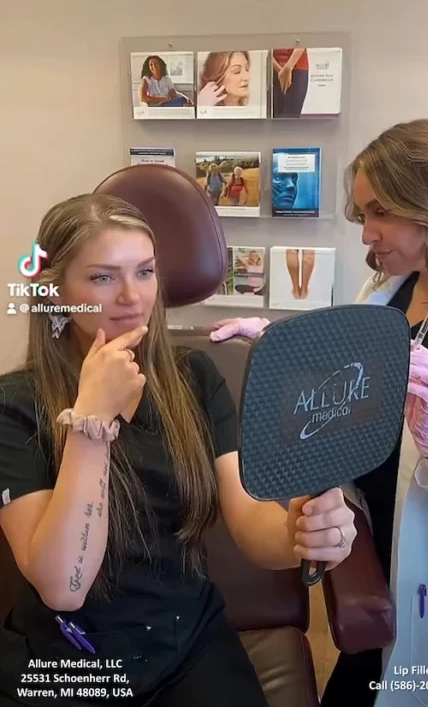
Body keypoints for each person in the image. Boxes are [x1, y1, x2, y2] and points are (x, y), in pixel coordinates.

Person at [0, 194, 356, 707]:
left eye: (144, 272)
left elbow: (252, 525)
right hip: (70, 661)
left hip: (185, 642)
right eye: (102, 277)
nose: (131, 296)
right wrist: (92, 422)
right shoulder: (15, 405)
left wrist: (302, 533)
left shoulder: (196, 377)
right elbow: (64, 586)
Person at [210, 118, 428, 706]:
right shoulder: (386, 291)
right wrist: (285, 348)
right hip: (371, 548)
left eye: (381, 213)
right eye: (363, 218)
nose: (367, 236)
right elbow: (354, 386)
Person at [272, 48, 309, 117]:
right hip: (272, 67)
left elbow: (303, 39)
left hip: (297, 66)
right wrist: (278, 68)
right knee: (274, 117)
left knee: (291, 117)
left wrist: (289, 66)